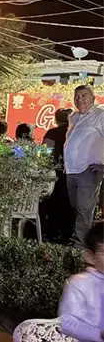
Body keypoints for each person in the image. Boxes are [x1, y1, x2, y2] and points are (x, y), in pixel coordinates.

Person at [64, 85, 104, 248]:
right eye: (77, 96)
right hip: (71, 169)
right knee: (76, 207)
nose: (80, 99)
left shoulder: (100, 115)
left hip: (89, 169)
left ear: (94, 98)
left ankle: (80, 247)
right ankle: (83, 240)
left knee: (84, 208)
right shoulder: (73, 117)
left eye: (84, 95)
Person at [43, 109, 74, 243]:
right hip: (74, 171)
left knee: (54, 202)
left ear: (56, 120)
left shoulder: (52, 133)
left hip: (56, 171)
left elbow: (45, 153)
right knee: (70, 203)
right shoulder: (74, 132)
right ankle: (69, 233)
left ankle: (53, 232)